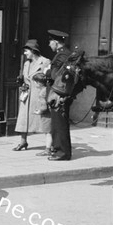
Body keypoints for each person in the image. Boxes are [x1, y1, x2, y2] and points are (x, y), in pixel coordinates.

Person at [13, 39, 52, 155]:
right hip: (27, 95)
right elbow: (26, 78)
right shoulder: (26, 63)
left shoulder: (45, 62)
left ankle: (49, 146)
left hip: (39, 95)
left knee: (44, 119)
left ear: (33, 51)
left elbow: (48, 79)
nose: (25, 53)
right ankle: (23, 141)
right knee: (23, 118)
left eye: (26, 51)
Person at [46, 29, 73, 161]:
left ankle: (62, 152)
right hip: (59, 93)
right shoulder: (64, 54)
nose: (49, 45)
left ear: (56, 42)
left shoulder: (62, 56)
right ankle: (58, 149)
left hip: (59, 94)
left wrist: (47, 71)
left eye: (50, 42)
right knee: (58, 123)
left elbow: (54, 75)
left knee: (59, 123)